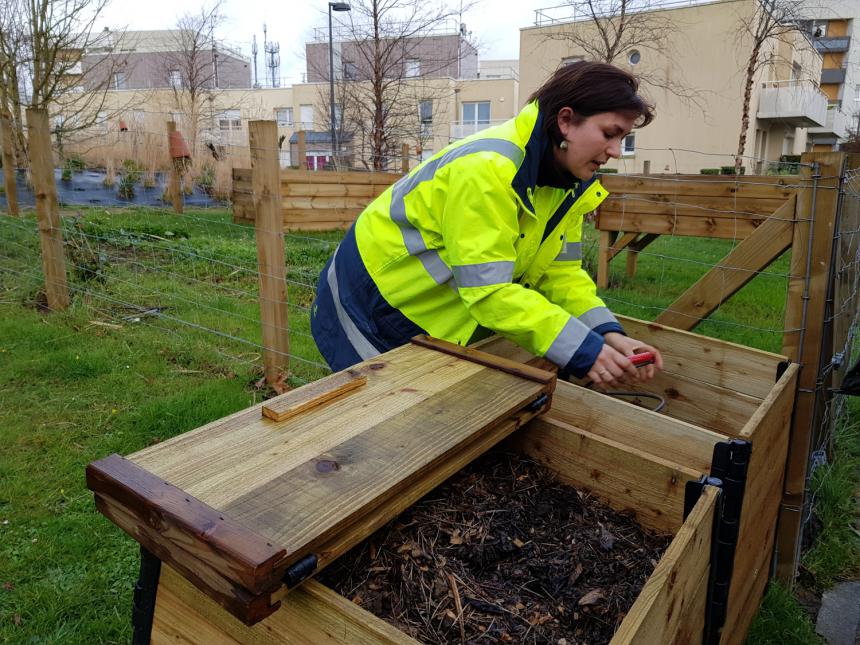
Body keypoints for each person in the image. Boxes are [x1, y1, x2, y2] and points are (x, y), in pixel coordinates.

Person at [311, 61, 663, 388]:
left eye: (623, 139)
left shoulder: (569, 185)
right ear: (566, 121)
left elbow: (562, 272)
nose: (616, 151)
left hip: (424, 311)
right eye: (609, 133)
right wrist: (583, 350)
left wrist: (607, 333)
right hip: (372, 301)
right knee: (375, 422)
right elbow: (489, 291)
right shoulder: (487, 171)